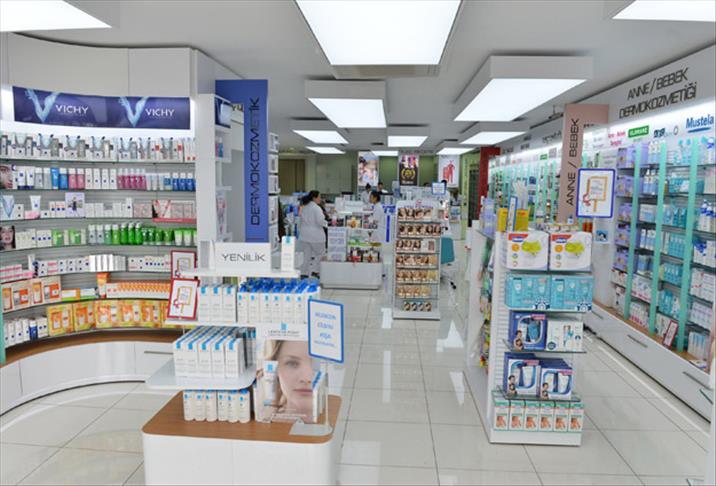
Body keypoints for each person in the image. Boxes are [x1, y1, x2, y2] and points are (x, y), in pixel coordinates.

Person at [262, 340, 315, 421]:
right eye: (292, 363)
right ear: (275, 369)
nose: (306, 378)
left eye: (316, 364)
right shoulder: (266, 421)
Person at [298, 190, 327, 278]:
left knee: (306, 255)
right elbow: (320, 221)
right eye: (319, 197)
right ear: (314, 198)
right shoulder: (316, 208)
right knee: (320, 253)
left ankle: (304, 273)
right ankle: (315, 271)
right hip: (316, 235)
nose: (320, 199)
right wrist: (327, 224)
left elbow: (300, 221)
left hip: (304, 235)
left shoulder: (304, 207)